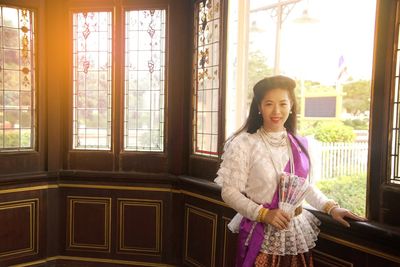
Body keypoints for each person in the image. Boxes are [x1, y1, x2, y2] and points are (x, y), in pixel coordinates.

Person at [214, 75, 366, 267]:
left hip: (294, 233)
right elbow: (229, 192)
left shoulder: (301, 144)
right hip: (261, 232)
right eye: (269, 104)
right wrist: (264, 214)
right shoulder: (244, 144)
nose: (276, 111)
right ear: (259, 107)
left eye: (283, 103)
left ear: (291, 105)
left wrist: (331, 208)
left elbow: (304, 188)